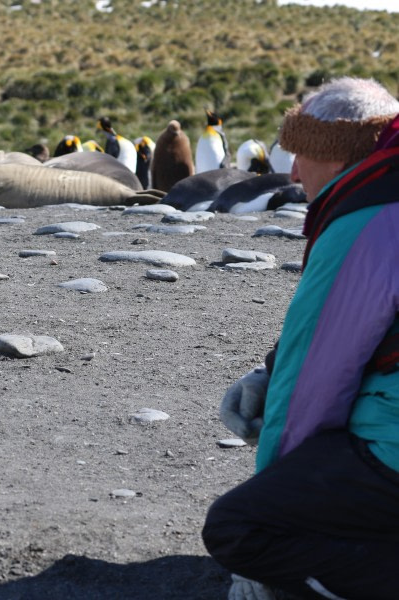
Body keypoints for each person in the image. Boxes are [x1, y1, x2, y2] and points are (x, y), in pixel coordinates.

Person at [202, 77, 399, 600]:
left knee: (238, 529)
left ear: (334, 155)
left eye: (300, 154)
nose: (290, 172)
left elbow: (315, 378)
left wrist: (275, 506)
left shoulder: (369, 219)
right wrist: (269, 369)